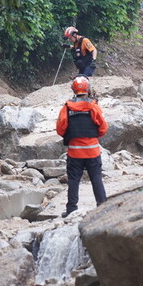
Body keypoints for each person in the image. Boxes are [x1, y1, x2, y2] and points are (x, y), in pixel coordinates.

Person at [55, 76, 108, 218]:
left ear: (73, 89)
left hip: (74, 153)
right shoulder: (94, 106)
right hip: (92, 151)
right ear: (87, 89)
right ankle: (102, 206)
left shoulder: (66, 108)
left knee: (73, 180)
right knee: (96, 178)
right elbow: (103, 128)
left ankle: (71, 209)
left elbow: (60, 129)